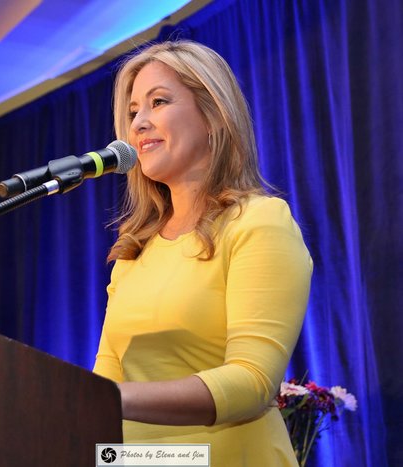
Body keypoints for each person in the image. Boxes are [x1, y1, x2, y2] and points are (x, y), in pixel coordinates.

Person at [93, 40, 313, 466]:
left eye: (158, 102)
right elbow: (105, 380)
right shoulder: (133, 249)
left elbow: (252, 383)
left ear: (213, 116)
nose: (138, 123)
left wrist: (104, 398)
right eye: (133, 110)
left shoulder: (259, 222)